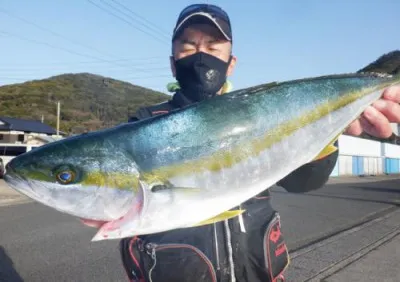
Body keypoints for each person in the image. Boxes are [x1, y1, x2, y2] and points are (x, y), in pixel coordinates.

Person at [83, 4, 400, 282]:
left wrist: (335, 127)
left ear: (231, 63)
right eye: (188, 46)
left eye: (213, 45)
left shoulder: (261, 115)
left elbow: (305, 181)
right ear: (172, 62)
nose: (201, 55)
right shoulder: (143, 125)